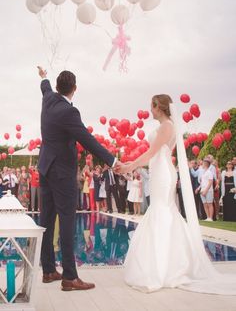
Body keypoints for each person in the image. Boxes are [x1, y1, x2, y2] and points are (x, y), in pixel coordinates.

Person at [120, 94, 236, 294]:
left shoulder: (167, 127)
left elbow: (152, 152)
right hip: (159, 170)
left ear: (159, 107)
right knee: (163, 211)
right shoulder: (166, 126)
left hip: (163, 173)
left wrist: (130, 165)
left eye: (152, 106)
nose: (150, 109)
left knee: (163, 211)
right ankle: (168, 263)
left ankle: (167, 267)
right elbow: (152, 154)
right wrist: (132, 166)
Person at [37, 66, 120, 291]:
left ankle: (48, 270)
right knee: (66, 222)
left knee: (45, 222)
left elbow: (44, 87)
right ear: (75, 88)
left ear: (56, 86)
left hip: (45, 169)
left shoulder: (48, 100)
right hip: (62, 174)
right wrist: (112, 161)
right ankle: (69, 277)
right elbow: (88, 140)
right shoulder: (68, 111)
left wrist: (43, 76)